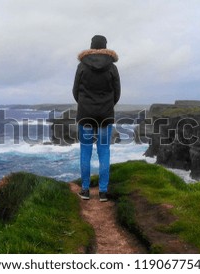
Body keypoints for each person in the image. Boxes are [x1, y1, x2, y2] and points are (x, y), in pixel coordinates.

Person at [72, 35, 121, 202]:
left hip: (85, 115)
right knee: (104, 151)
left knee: (85, 151)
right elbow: (117, 93)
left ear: (91, 46)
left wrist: (85, 105)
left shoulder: (82, 66)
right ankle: (103, 192)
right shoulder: (112, 68)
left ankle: (85, 190)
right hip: (105, 116)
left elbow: (75, 91)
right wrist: (106, 105)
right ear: (105, 47)